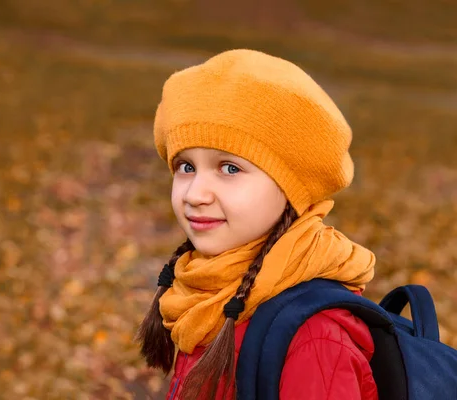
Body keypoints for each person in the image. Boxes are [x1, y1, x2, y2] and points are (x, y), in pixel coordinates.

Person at [136, 49, 379, 400]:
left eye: (230, 168)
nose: (195, 194)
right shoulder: (210, 289)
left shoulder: (314, 340)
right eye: (186, 167)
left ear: (291, 189)